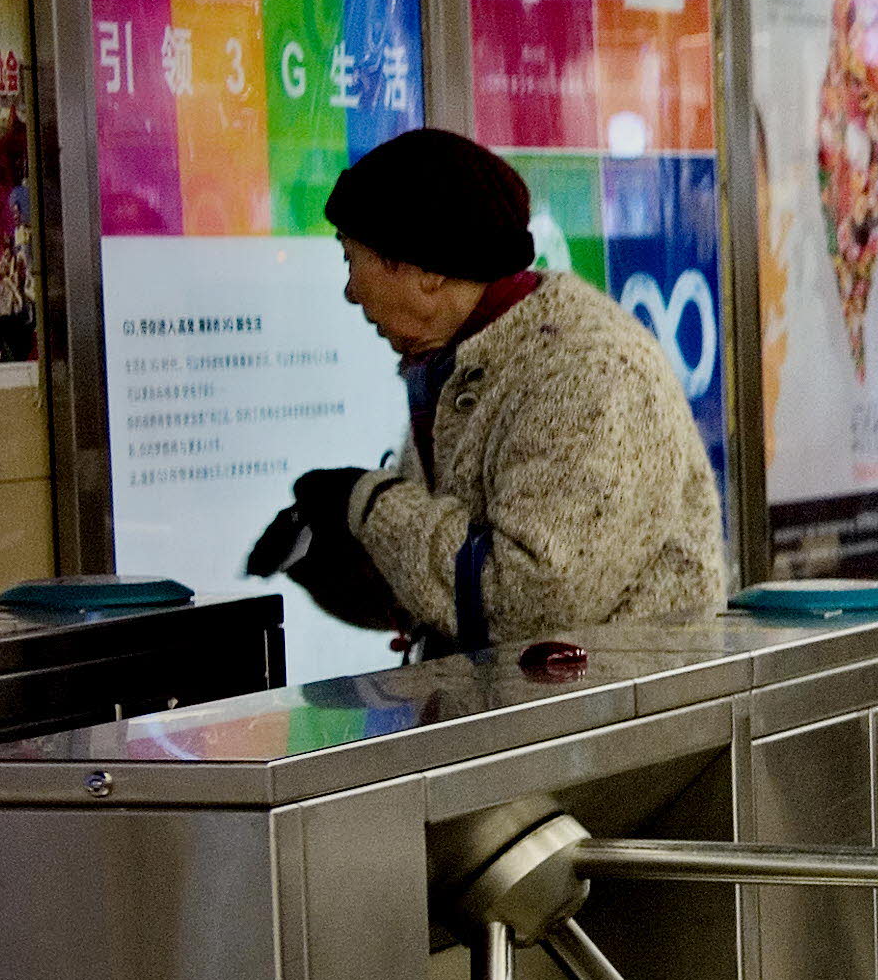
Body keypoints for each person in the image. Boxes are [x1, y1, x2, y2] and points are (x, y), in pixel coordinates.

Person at [249, 124, 725, 651]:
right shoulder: (461, 364)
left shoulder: (589, 371)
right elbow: (443, 595)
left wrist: (370, 501)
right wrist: (331, 554)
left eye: (349, 259)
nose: (350, 291)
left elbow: (527, 606)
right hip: (525, 722)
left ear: (420, 269)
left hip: (615, 724)